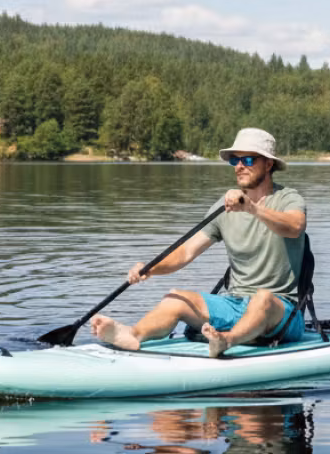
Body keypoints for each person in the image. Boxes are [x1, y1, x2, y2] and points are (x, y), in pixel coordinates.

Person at [90, 128, 307, 358]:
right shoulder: (224, 207)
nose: (239, 166)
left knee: (262, 298)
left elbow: (295, 226)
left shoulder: (288, 198)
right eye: (234, 160)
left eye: (248, 160)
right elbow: (185, 251)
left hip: (283, 312)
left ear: (269, 164)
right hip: (234, 304)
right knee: (175, 298)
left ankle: (226, 341)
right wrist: (150, 269)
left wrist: (251, 208)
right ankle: (133, 335)